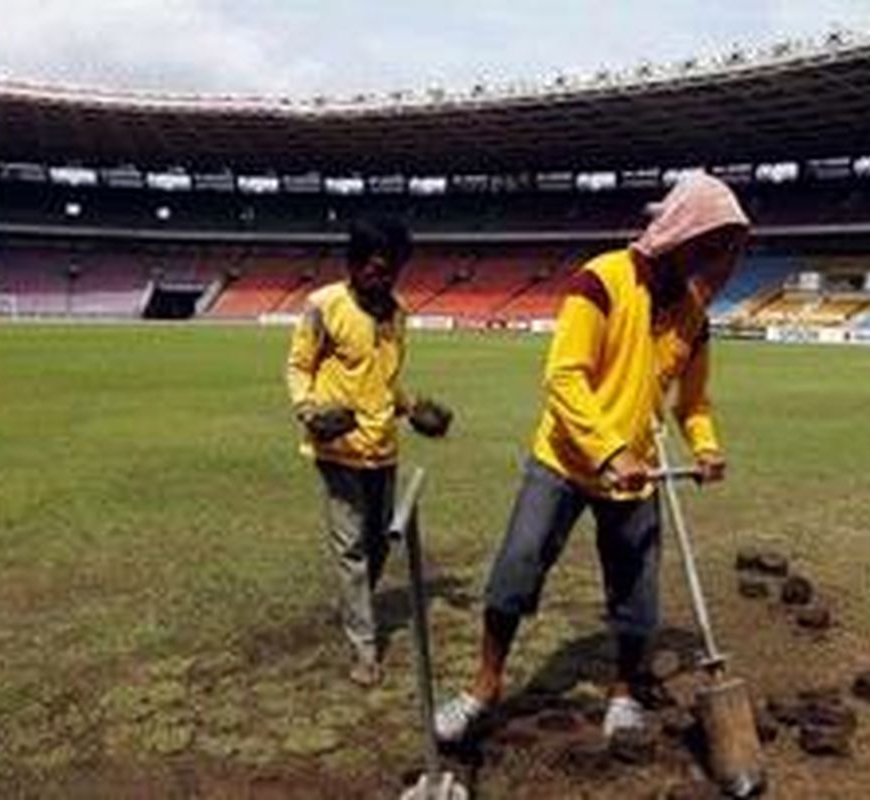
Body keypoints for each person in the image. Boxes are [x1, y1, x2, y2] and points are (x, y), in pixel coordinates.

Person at [435, 174, 750, 742]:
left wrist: (705, 447)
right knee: (516, 569)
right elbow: (565, 376)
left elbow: (693, 401)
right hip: (562, 460)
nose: (716, 266)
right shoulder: (600, 282)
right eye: (709, 249)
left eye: (722, 255)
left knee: (637, 595)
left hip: (635, 476)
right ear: (681, 235)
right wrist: (607, 451)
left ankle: (624, 693)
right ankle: (484, 686)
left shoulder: (693, 318)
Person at [286, 217, 452, 688]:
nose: (386, 279)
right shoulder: (324, 305)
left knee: (379, 544)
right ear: (354, 265)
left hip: (383, 449)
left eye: (394, 270)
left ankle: (353, 603)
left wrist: (412, 406)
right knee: (352, 549)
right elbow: (299, 366)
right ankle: (364, 649)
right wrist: (309, 410)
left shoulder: (398, 314)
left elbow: (384, 380)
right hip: (336, 447)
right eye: (378, 269)